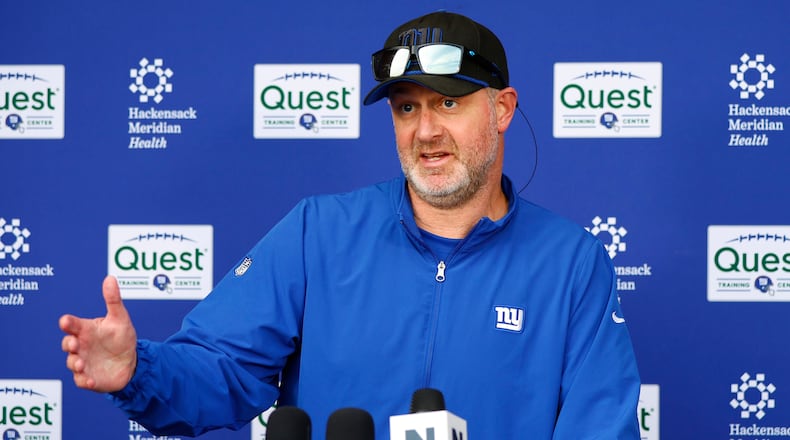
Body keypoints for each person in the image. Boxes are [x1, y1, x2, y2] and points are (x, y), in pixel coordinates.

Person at [60, 11, 641, 439]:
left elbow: (601, 427)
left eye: (449, 103)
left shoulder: (572, 263)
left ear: (503, 108)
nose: (426, 131)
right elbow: (221, 370)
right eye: (407, 107)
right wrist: (139, 370)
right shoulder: (319, 232)